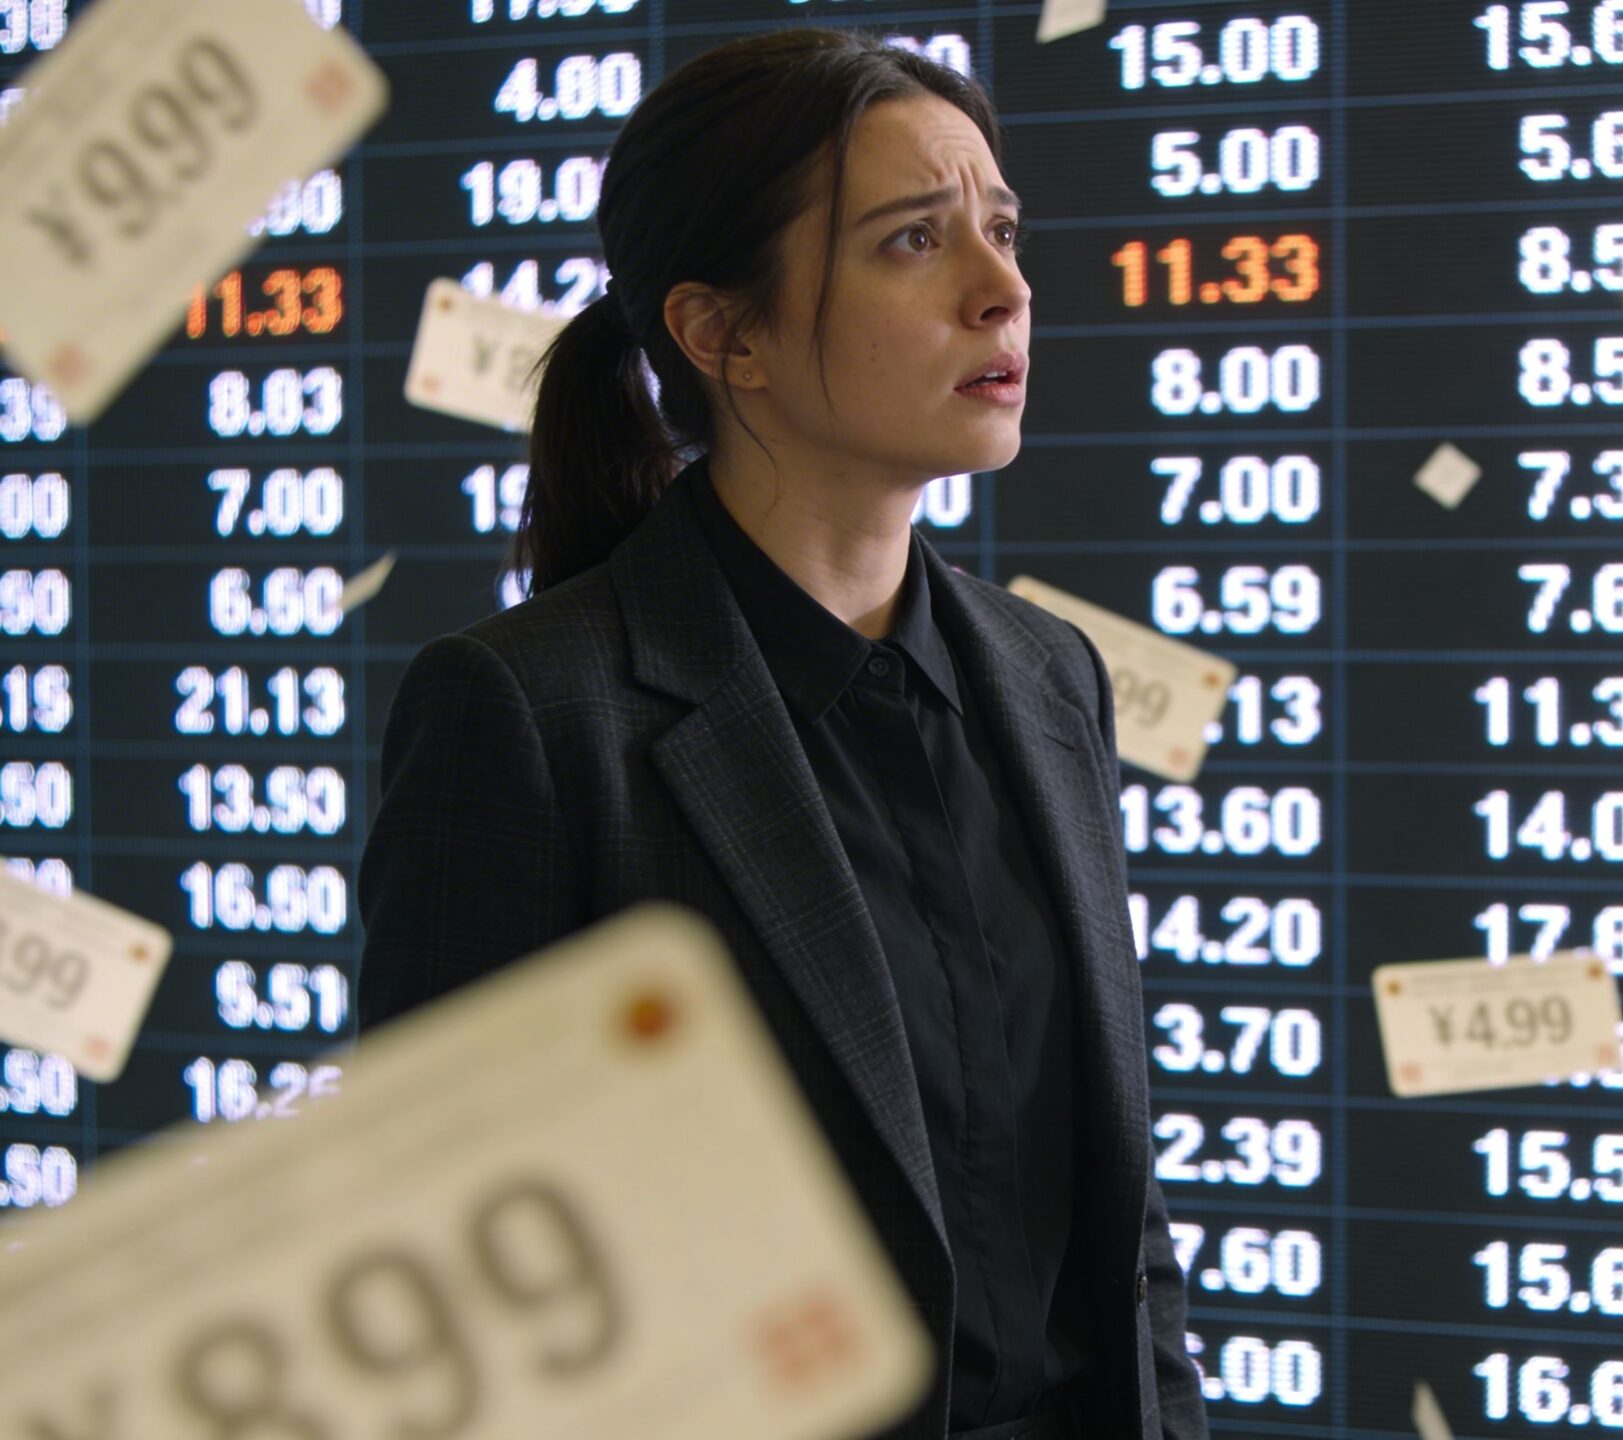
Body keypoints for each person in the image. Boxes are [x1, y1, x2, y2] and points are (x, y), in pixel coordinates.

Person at [357, 30, 1206, 1440]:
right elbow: (453, 1304)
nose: (1002, 292)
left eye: (1001, 230)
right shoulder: (530, 714)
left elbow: (1122, 1241)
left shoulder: (1052, 680)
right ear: (721, 332)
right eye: (912, 242)